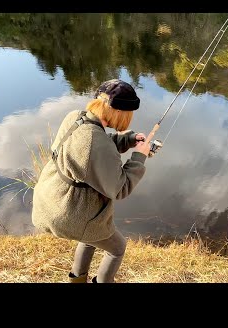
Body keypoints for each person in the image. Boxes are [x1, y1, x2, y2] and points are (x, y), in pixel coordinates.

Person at [32, 79, 159, 283]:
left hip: (49, 201)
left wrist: (127, 139)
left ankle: (77, 280)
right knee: (117, 248)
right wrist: (139, 157)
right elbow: (120, 188)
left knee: (90, 238)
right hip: (69, 213)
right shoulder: (96, 143)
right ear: (119, 112)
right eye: (129, 114)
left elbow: (91, 151)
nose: (130, 118)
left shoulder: (76, 117)